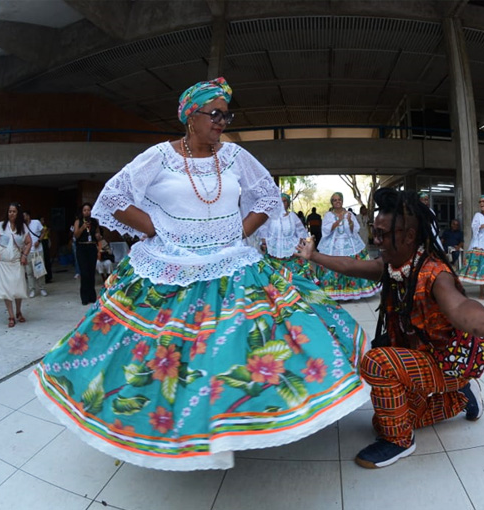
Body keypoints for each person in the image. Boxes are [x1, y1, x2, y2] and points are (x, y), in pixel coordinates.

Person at [30, 77, 369, 472]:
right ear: (190, 117)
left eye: (227, 114)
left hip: (231, 262)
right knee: (166, 352)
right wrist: (157, 228)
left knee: (248, 341)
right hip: (171, 265)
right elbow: (114, 199)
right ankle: (177, 426)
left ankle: (235, 420)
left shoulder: (235, 157)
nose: (222, 122)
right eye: (215, 114)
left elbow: (265, 196)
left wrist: (241, 230)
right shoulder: (159, 157)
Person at [296, 188, 484, 469]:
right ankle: (461, 398)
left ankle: (400, 441)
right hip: (421, 355)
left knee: (377, 364)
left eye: (382, 234)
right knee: (385, 419)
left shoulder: (434, 272)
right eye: (374, 231)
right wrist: (314, 256)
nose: (375, 240)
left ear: (407, 236)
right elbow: (354, 265)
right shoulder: (394, 263)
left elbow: (462, 309)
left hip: (448, 361)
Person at [316, 192, 380, 301]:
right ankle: (334, 293)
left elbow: (354, 230)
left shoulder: (349, 214)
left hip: (349, 244)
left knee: (352, 264)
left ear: (342, 201)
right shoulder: (329, 215)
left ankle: (351, 293)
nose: (337, 202)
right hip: (333, 245)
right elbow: (326, 230)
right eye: (335, 200)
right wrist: (339, 220)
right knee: (332, 264)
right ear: (332, 202)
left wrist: (350, 221)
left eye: (339, 199)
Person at [0, 202, 32, 327]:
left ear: (18, 213)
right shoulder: (1, 226)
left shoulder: (23, 228)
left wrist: (24, 255)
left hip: (16, 263)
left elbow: (29, 242)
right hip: (3, 263)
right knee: (6, 290)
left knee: (18, 289)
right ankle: (11, 315)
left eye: (13, 211)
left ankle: (19, 311)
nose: (11, 214)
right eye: (9, 211)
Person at [256, 193, 315, 279]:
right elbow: (263, 231)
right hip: (273, 252)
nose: (282, 204)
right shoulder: (271, 216)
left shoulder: (293, 216)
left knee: (294, 279)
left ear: (288, 203)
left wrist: (300, 243)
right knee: (275, 280)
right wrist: (264, 243)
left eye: (285, 201)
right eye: (280, 201)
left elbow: (301, 232)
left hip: (291, 252)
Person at [74, 203, 101, 305]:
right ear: (82, 212)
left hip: (92, 247)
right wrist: (82, 227)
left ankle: (92, 296)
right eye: (85, 210)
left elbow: (98, 234)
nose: (87, 212)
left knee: (91, 273)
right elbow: (76, 235)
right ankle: (84, 297)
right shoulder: (78, 221)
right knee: (84, 273)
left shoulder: (94, 222)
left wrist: (98, 236)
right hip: (82, 248)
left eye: (88, 210)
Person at [23, 210, 47, 297]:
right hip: (28, 251)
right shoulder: (22, 226)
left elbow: (43, 231)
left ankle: (42, 288)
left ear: (28, 216)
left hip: (38, 250)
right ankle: (32, 290)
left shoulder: (36, 222)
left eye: (24, 215)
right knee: (29, 272)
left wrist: (39, 240)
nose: (23, 218)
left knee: (40, 271)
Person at [40, 216, 53, 283]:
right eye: (41, 220)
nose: (43, 221)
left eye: (43, 220)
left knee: (47, 259)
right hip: (41, 242)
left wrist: (48, 231)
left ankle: (49, 277)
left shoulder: (45, 226)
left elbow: (48, 235)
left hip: (46, 241)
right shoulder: (39, 227)